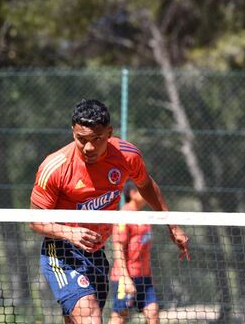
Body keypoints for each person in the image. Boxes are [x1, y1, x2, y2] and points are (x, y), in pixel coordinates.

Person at [29, 99, 189, 324]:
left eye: (97, 139)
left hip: (96, 254)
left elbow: (145, 184)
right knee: (92, 319)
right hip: (62, 253)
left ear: (109, 133)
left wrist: (171, 223)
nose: (88, 147)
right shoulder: (55, 167)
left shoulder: (127, 156)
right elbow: (34, 220)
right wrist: (70, 233)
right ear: (73, 132)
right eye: (81, 139)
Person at [109, 180, 159, 324]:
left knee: (153, 312)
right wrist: (125, 278)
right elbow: (118, 248)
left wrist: (149, 275)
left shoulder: (144, 217)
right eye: (143, 191)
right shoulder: (124, 215)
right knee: (120, 316)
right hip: (125, 277)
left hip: (144, 277)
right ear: (132, 193)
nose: (147, 194)